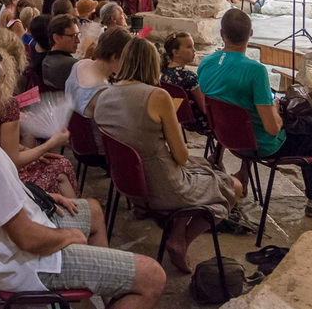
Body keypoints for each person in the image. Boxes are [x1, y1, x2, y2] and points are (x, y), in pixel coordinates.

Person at [0, 46, 165, 307]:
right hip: (26, 262)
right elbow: (28, 238)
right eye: (1, 85)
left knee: (94, 211)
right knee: (152, 276)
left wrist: (34, 194)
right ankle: (105, 279)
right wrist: (70, 237)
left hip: (9, 241)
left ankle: (109, 288)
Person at [95, 39, 240, 273]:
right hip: (162, 186)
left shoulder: (103, 95)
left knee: (202, 166)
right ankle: (180, 239)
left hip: (130, 184)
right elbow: (181, 156)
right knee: (234, 186)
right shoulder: (157, 96)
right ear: (153, 63)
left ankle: (179, 226)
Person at [198, 10, 312, 217]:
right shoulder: (255, 71)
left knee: (305, 122)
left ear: (221, 33)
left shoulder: (206, 63)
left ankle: (248, 175)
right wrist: (275, 110)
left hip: (229, 137)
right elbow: (272, 128)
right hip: (264, 145)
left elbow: (231, 105)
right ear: (251, 33)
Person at [0, 30, 79, 198]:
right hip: (4, 180)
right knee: (62, 165)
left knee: (57, 162)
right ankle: (74, 218)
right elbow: (13, 161)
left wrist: (26, 149)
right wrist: (50, 144)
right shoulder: (6, 103)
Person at [65, 26, 131, 118]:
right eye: (127, 58)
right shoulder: (103, 93)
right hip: (87, 131)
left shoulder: (80, 64)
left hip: (70, 127)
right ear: (114, 57)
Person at [160, 32, 209, 132]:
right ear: (176, 52)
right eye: (189, 47)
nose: (194, 50)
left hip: (181, 120)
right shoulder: (189, 76)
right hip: (200, 123)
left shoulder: (165, 73)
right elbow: (204, 108)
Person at [42, 15, 80, 91]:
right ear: (57, 38)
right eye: (73, 36)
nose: (78, 41)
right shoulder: (72, 65)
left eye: (78, 35)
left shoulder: (46, 61)